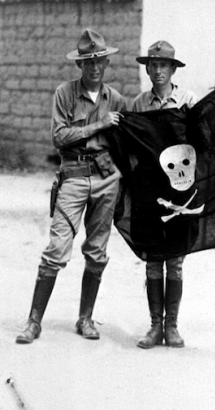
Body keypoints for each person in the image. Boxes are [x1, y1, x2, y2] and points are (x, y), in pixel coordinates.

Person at [16, 29, 127, 344]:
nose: (94, 67)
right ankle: (34, 321)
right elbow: (59, 136)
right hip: (74, 177)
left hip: (107, 179)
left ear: (106, 63)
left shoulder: (116, 99)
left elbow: (127, 139)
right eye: (88, 62)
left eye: (99, 61)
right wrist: (99, 125)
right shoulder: (64, 94)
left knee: (97, 251)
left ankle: (86, 318)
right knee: (56, 249)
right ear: (80, 65)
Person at [132, 40, 198, 348]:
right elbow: (131, 149)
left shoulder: (187, 101)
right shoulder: (138, 105)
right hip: (149, 190)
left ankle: (172, 326)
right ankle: (154, 326)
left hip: (178, 190)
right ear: (147, 68)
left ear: (173, 69)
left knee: (175, 261)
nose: (158, 70)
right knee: (152, 260)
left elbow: (200, 143)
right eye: (153, 65)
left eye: (164, 65)